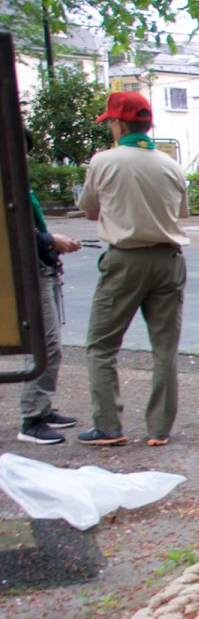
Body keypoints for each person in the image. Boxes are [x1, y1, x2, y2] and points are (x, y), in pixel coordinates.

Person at [76, 90, 190, 447]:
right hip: (169, 260)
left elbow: (91, 210)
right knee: (164, 347)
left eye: (110, 121)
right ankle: (159, 428)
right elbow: (180, 214)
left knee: (101, 345)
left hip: (125, 259)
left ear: (119, 123)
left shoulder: (104, 161)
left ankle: (108, 425)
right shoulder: (171, 166)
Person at [18, 131, 83, 445]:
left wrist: (52, 242)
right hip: (29, 273)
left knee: (49, 344)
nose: (25, 157)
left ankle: (41, 408)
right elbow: (16, 229)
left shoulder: (18, 181)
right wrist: (49, 240)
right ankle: (32, 417)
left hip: (42, 267)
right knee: (46, 344)